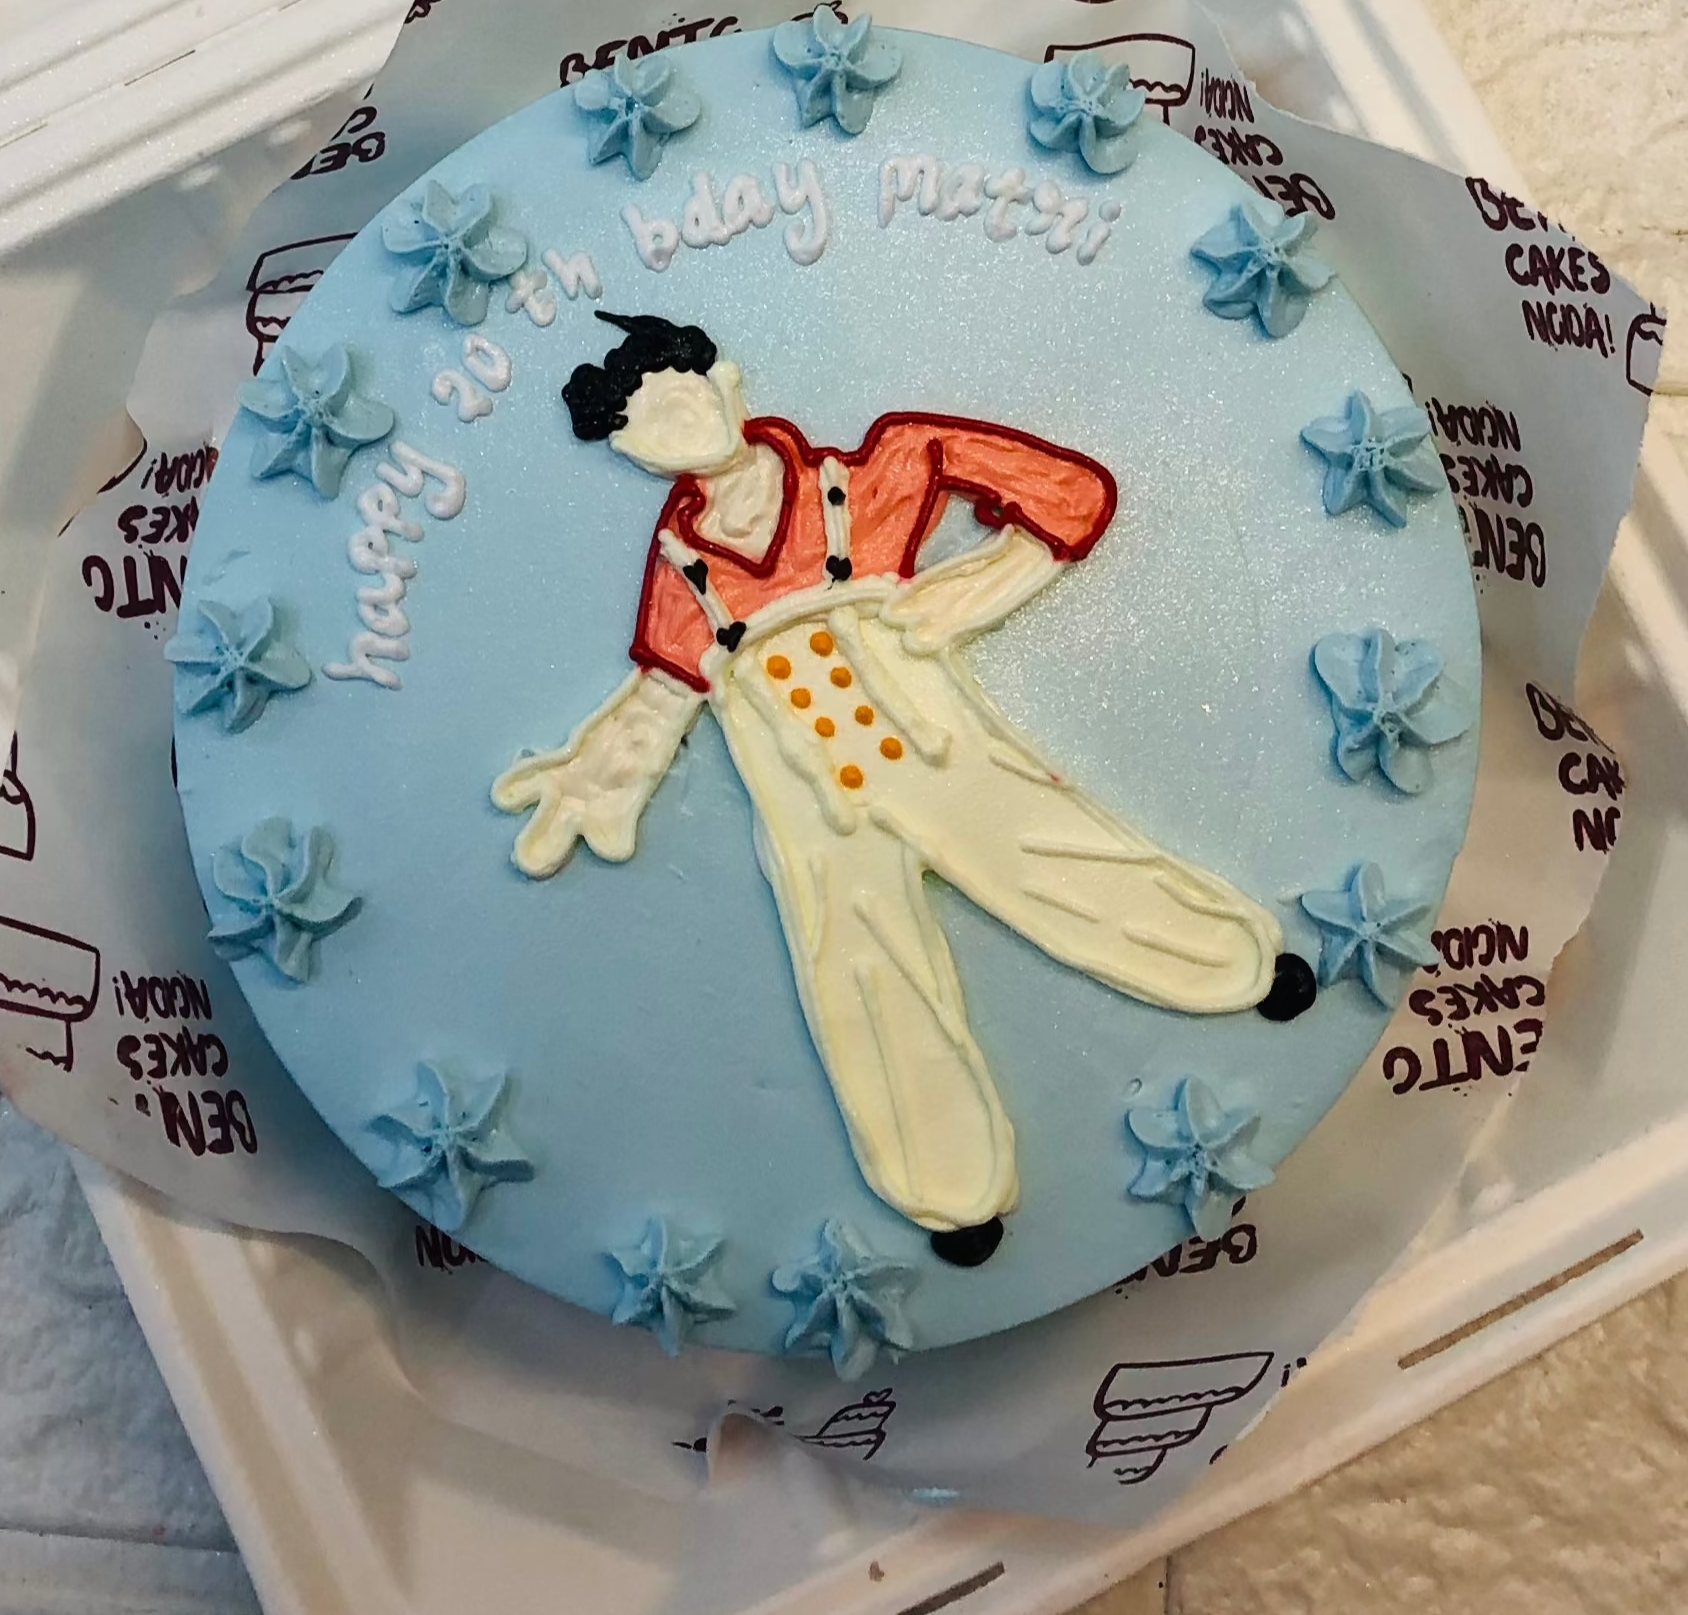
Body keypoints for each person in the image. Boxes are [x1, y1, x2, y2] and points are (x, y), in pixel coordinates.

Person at [492, 314, 1306, 1256]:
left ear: (724, 380)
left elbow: (1069, 489)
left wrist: (999, 572)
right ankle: (952, 1190)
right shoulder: (683, 567)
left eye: (678, 398)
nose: (674, 431)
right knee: (860, 965)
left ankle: (1235, 965)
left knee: (1056, 856)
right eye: (644, 428)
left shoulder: (870, 474)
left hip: (938, 754)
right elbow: (670, 686)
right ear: (631, 450)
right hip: (812, 807)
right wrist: (607, 771)